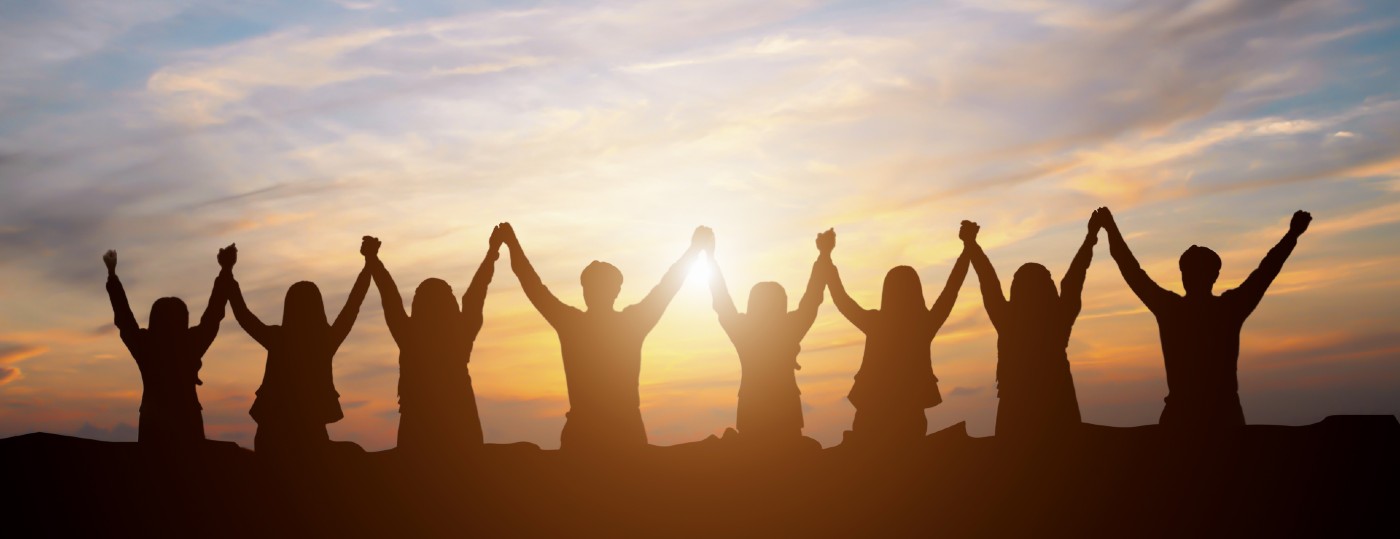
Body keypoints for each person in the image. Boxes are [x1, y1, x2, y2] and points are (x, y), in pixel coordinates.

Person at [499, 222, 709, 452]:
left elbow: (532, 286)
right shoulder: (630, 323)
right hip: (617, 434)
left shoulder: (573, 324)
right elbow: (667, 286)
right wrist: (693, 250)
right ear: (616, 290)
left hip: (592, 435)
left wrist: (512, 244)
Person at [1099, 207, 1312, 430]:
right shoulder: (1229, 308)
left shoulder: (1172, 309)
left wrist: (1110, 228)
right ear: (1215, 275)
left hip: (1190, 419)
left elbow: (1131, 270)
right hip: (1218, 418)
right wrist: (1292, 235)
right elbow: (1266, 270)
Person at [225, 237, 373, 455]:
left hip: (272, 433)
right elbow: (353, 305)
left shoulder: (277, 338)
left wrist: (227, 272)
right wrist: (369, 264)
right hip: (308, 435)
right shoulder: (325, 340)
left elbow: (243, 315)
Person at [823, 227, 971, 445]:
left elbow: (841, 299)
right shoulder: (924, 324)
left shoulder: (876, 323)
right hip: (910, 416)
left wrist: (826, 256)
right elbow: (951, 290)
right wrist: (968, 250)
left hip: (872, 413)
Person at [364, 228, 502, 455]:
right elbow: (476, 293)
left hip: (418, 425)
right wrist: (491, 253)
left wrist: (373, 260)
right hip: (460, 422)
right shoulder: (461, 332)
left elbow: (390, 296)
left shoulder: (409, 335)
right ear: (451, 305)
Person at [963, 215, 1096, 440]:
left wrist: (972, 245)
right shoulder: (1059, 319)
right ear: (1049, 288)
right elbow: (1075, 278)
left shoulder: (1007, 320)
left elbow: (988, 280)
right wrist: (1091, 237)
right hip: (1059, 408)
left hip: (1015, 412)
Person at [705, 229, 830, 447]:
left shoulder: (744, 331)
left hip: (752, 415)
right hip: (786, 415)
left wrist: (710, 259)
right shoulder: (788, 329)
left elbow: (722, 302)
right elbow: (812, 300)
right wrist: (824, 256)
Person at [103, 245, 235, 444]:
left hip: (152, 422)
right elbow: (213, 315)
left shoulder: (145, 346)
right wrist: (226, 270)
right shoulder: (191, 344)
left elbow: (124, 318)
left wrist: (112, 275)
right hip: (187, 421)